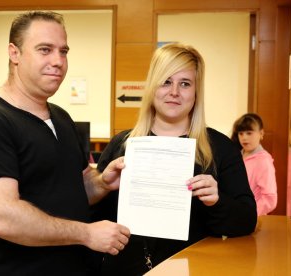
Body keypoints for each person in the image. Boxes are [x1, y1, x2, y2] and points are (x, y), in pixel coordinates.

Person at [0, 11, 130, 275]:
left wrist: (102, 182)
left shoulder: (61, 117)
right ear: (15, 53)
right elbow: (3, 218)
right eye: (45, 50)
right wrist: (87, 234)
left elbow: (71, 188)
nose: (58, 61)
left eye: (63, 51)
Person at [91, 43, 257, 275]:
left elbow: (247, 221)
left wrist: (216, 201)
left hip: (195, 268)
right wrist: (102, 187)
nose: (174, 92)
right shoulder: (122, 145)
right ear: (152, 87)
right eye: (166, 81)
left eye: (185, 84)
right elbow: (94, 221)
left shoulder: (219, 148)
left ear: (196, 91)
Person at [231, 113, 277, 216]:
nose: (244, 138)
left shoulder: (263, 160)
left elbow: (270, 199)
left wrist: (248, 214)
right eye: (241, 133)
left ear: (261, 133)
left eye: (249, 133)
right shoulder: (236, 156)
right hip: (234, 215)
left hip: (251, 218)